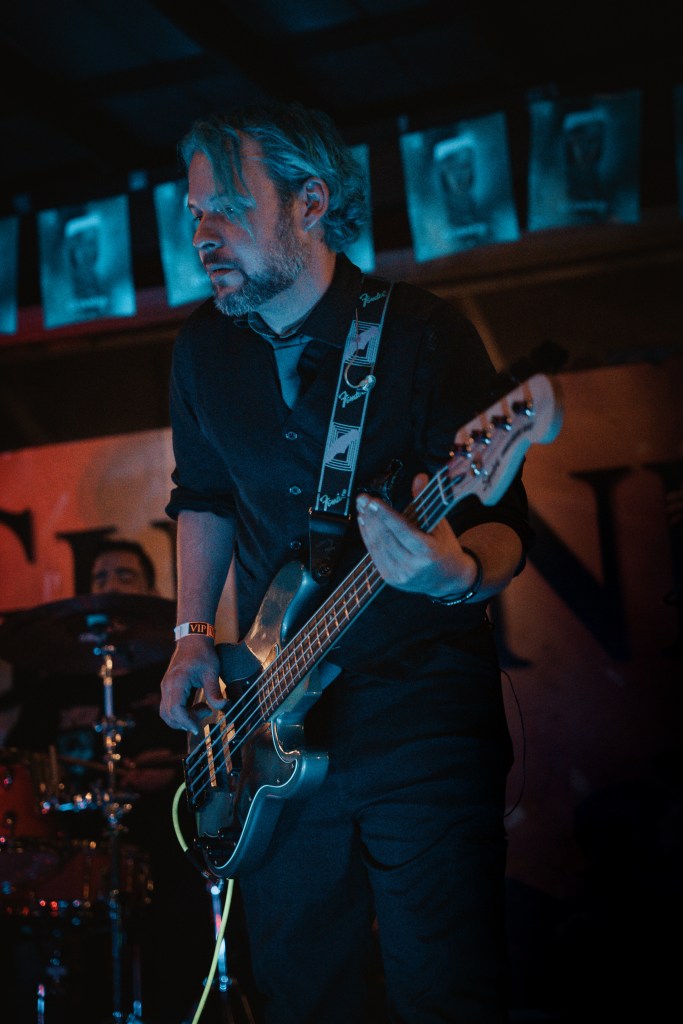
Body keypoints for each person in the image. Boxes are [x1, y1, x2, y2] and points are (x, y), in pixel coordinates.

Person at [158, 100, 534, 1024]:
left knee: (443, 987)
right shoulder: (202, 351)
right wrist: (189, 635)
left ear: (310, 203)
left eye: (228, 210)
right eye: (193, 214)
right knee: (300, 993)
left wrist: (452, 574)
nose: (203, 236)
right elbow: (201, 494)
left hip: (420, 711)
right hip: (269, 722)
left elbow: (503, 525)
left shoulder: (420, 333)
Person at [1, 539, 218, 1024]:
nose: (109, 587)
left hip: (163, 840)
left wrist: (175, 769)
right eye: (100, 578)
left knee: (177, 927)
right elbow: (20, 759)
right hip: (74, 845)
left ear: (148, 590)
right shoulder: (58, 682)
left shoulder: (172, 674)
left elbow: (211, 755)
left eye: (124, 576)